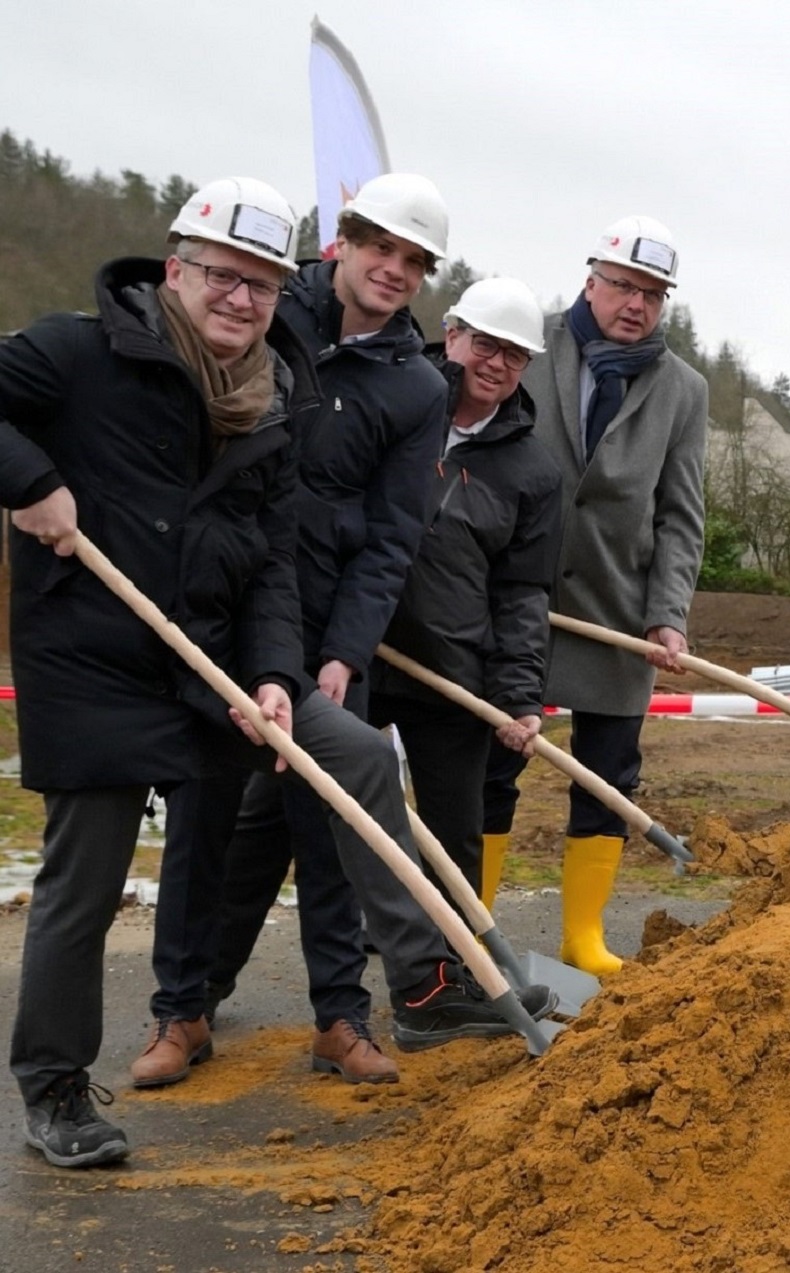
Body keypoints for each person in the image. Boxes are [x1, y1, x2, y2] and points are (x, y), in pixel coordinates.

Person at [0, 179, 550, 1168]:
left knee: (352, 757)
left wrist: (273, 676)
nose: (241, 299)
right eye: (222, 276)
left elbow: (271, 555)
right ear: (177, 268)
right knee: (86, 878)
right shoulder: (82, 351)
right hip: (95, 652)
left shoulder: (271, 395)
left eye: (258, 283)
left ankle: (428, 983)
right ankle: (54, 1086)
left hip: (212, 658)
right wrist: (30, 483)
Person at [143, 174, 486, 1089]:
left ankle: (342, 1016)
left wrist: (345, 652)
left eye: (416, 262)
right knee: (204, 818)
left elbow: (393, 535)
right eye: (382, 247)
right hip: (228, 611)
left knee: (333, 829)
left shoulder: (417, 387)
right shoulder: (266, 312)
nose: (395, 270)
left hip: (333, 630)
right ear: (344, 240)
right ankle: (182, 1013)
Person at [482, 215, 708, 976]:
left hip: (618, 613)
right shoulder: (529, 347)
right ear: (591, 279)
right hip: (512, 598)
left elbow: (680, 515)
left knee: (608, 779)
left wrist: (667, 614)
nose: (635, 304)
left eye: (653, 293)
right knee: (489, 766)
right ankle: (471, 933)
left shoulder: (683, 391)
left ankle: (583, 937)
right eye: (623, 286)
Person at [369, 278, 561, 905]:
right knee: (292, 816)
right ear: (451, 334)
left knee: (455, 838)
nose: (496, 364)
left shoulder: (532, 471)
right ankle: (197, 987)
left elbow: (523, 593)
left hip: (451, 675)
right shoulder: (389, 406)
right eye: (485, 343)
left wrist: (519, 694)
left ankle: (455, 977)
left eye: (514, 355)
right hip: (352, 658)